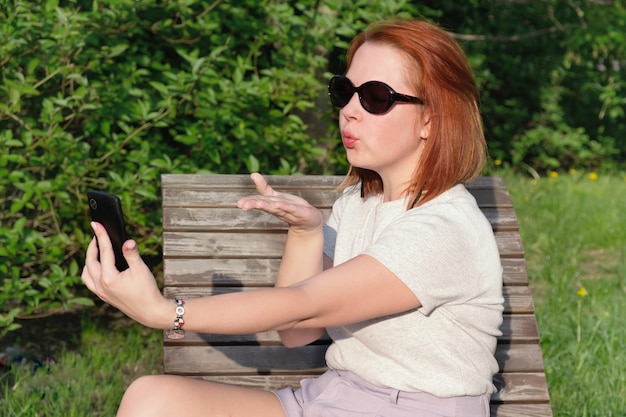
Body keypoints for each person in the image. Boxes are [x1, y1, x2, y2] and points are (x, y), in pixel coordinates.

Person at [82, 18, 504, 417]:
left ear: (431, 119)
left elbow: (302, 308)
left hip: (409, 409)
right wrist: (308, 233)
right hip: (329, 397)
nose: (350, 111)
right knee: (153, 398)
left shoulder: (444, 228)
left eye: (376, 97)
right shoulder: (358, 204)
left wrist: (164, 312)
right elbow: (296, 334)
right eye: (345, 92)